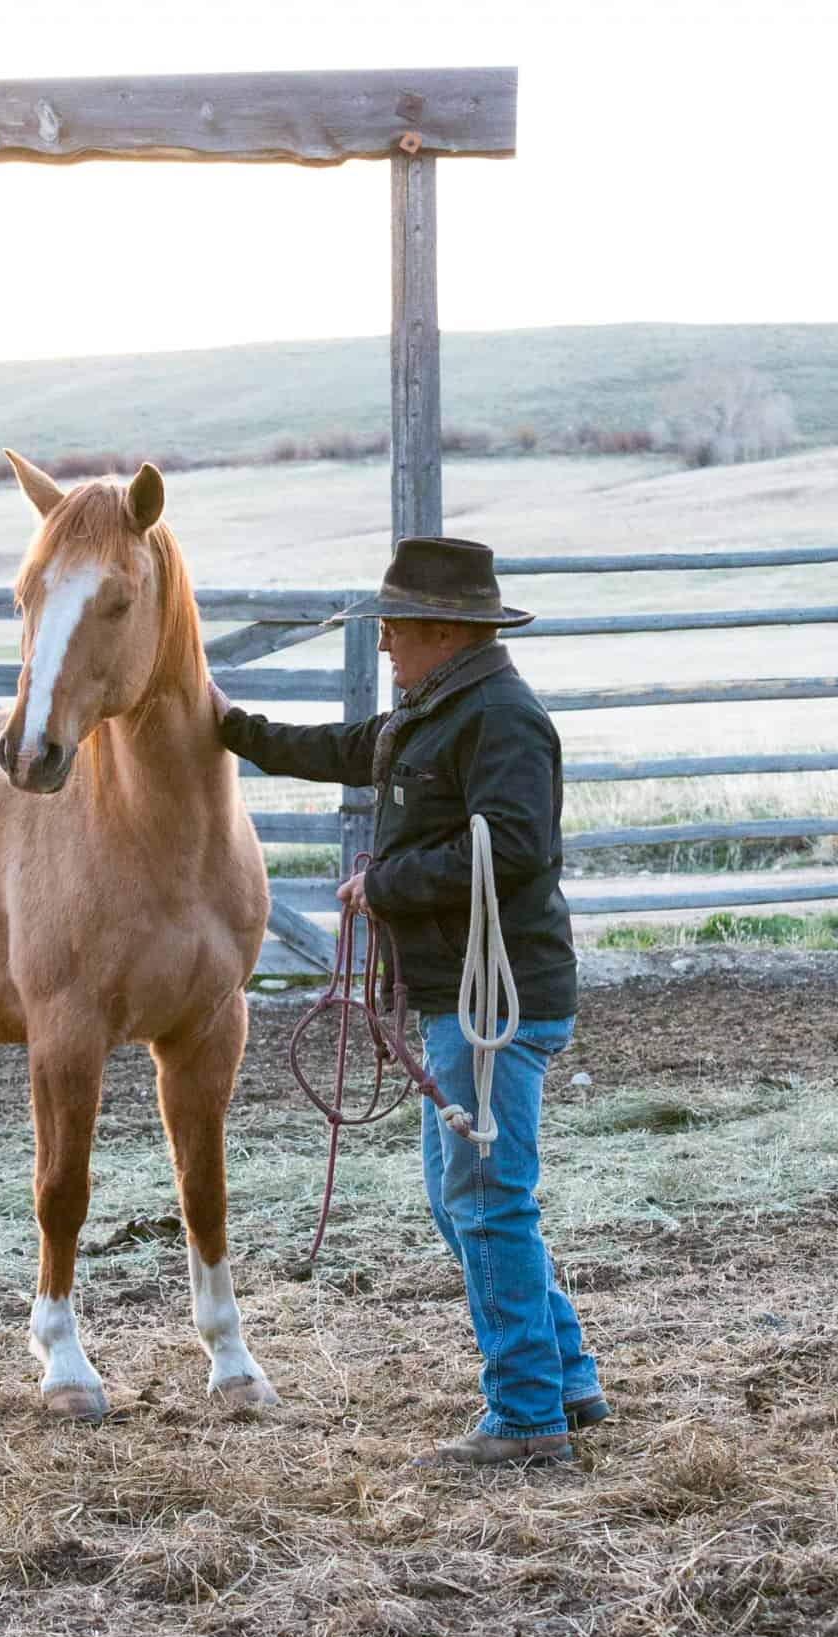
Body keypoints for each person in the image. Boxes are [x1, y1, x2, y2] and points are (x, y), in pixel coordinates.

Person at [210, 536, 606, 1468]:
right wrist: (230, 727)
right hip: (459, 996)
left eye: (392, 624)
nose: (382, 640)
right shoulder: (430, 713)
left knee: (483, 1194)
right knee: (462, 1191)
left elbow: (515, 851)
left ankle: (526, 1415)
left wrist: (384, 882)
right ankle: (567, 1377)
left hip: (492, 1001)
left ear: (440, 628)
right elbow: (341, 749)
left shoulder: (502, 719)